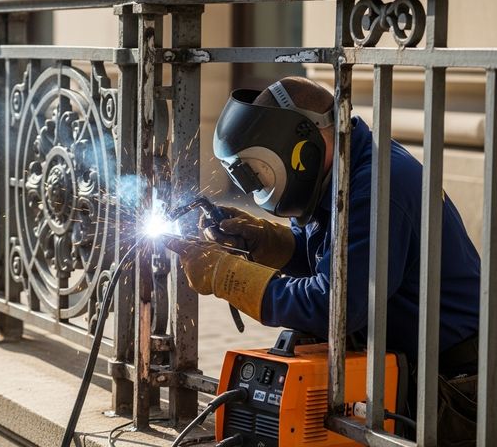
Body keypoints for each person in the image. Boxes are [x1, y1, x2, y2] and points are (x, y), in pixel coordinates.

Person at [164, 76, 480, 444]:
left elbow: (335, 305)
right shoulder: (344, 169)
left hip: (453, 390)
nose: (255, 187)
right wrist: (270, 241)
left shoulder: (378, 186)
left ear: (300, 145)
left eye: (257, 171)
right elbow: (338, 260)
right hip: (409, 369)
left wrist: (229, 276)